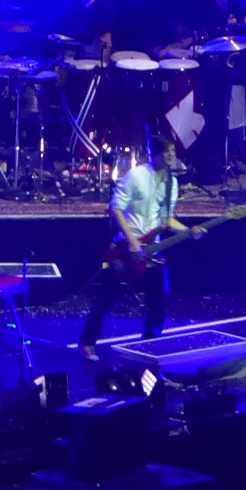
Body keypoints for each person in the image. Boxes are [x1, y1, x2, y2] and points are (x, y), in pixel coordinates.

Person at [78, 134, 188, 360]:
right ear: (155, 153)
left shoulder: (172, 183)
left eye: (173, 151)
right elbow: (116, 208)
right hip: (125, 249)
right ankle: (88, 342)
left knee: (160, 300)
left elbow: (166, 219)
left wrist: (188, 231)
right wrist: (132, 241)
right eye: (166, 151)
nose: (171, 155)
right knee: (108, 299)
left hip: (152, 250)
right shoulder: (136, 176)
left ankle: (149, 344)